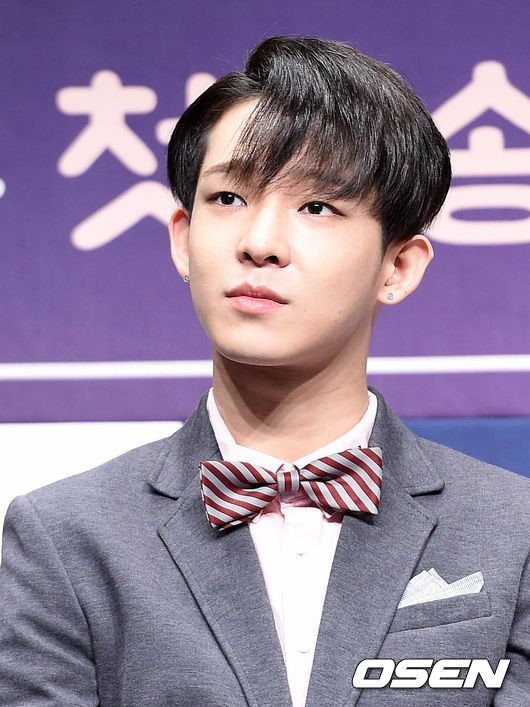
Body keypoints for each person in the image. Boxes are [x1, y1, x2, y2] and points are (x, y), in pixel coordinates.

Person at [0, 36, 528, 706]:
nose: (258, 243)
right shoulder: (65, 535)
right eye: (228, 198)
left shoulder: (513, 533)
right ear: (182, 237)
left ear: (398, 266)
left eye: (317, 207)